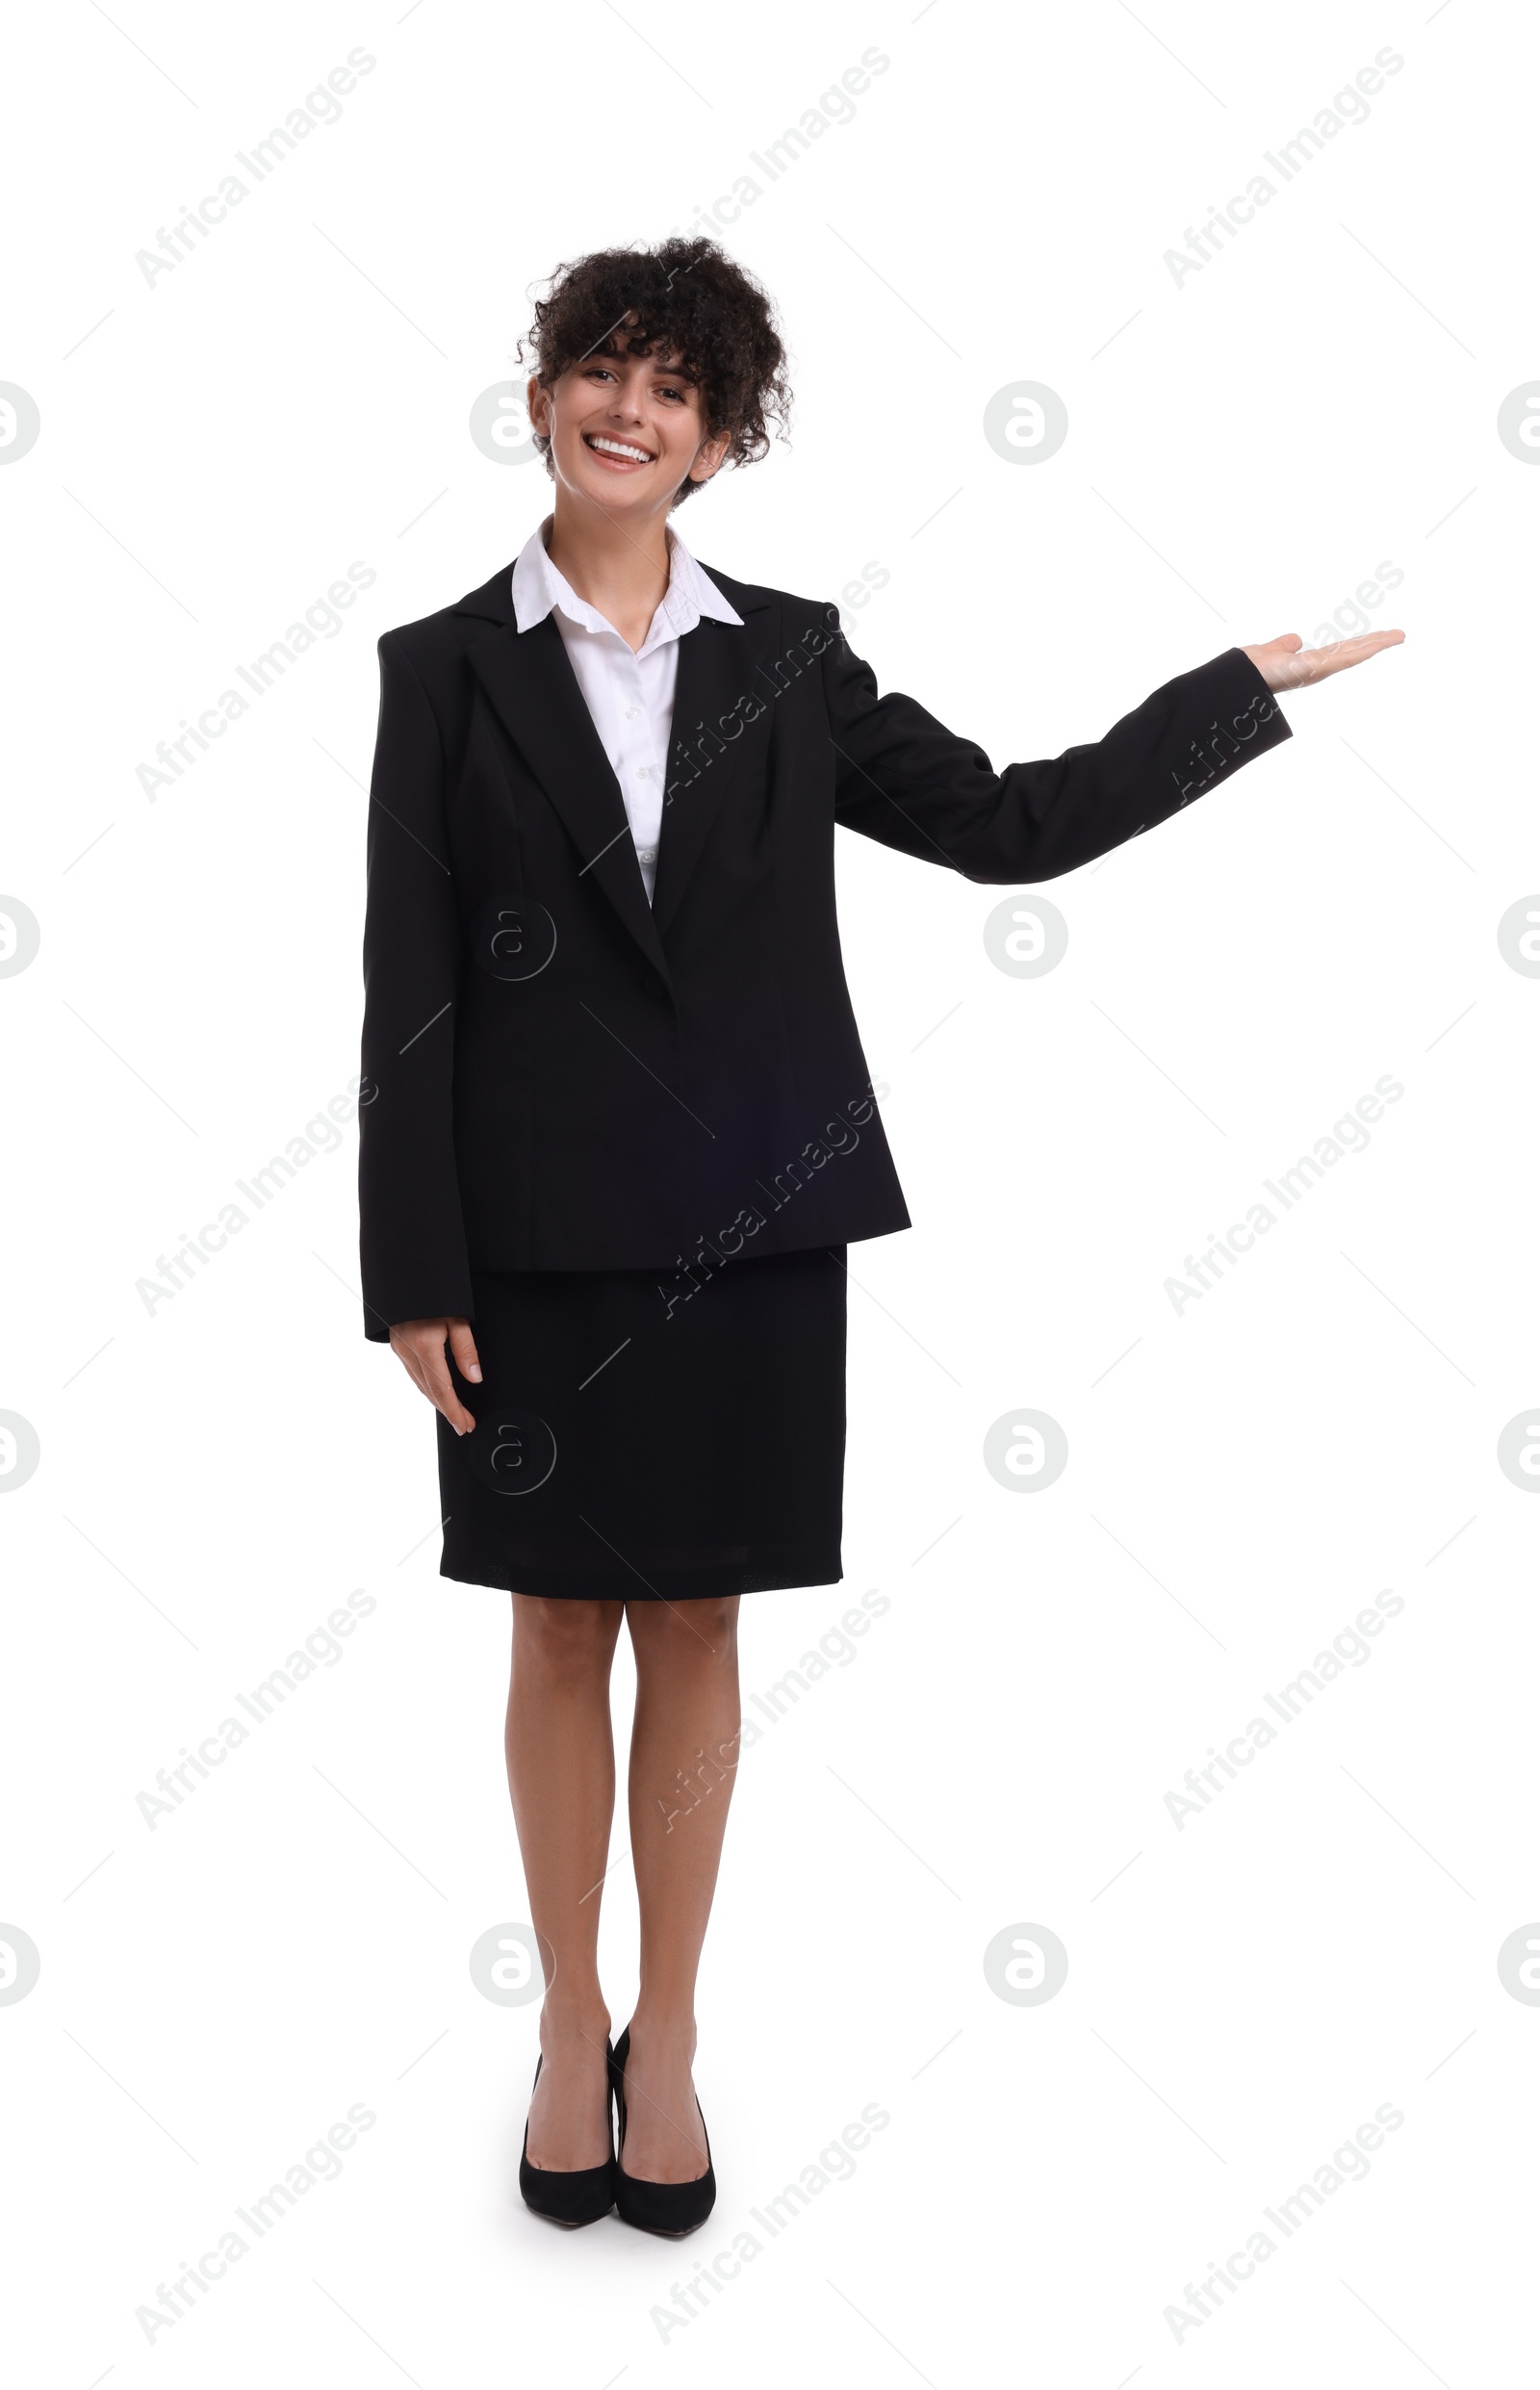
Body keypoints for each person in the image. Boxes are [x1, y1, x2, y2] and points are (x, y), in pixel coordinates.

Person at [357, 236, 1402, 2236]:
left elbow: (1005, 824)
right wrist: (410, 1262)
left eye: (675, 390)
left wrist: (1227, 699)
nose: (630, 409)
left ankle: (669, 2038)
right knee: (553, 1622)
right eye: (603, 368)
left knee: (695, 1624)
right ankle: (563, 2021)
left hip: (752, 1219)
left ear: (720, 442)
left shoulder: (788, 658)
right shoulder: (439, 666)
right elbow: (409, 978)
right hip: (526, 1245)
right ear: (543, 392)